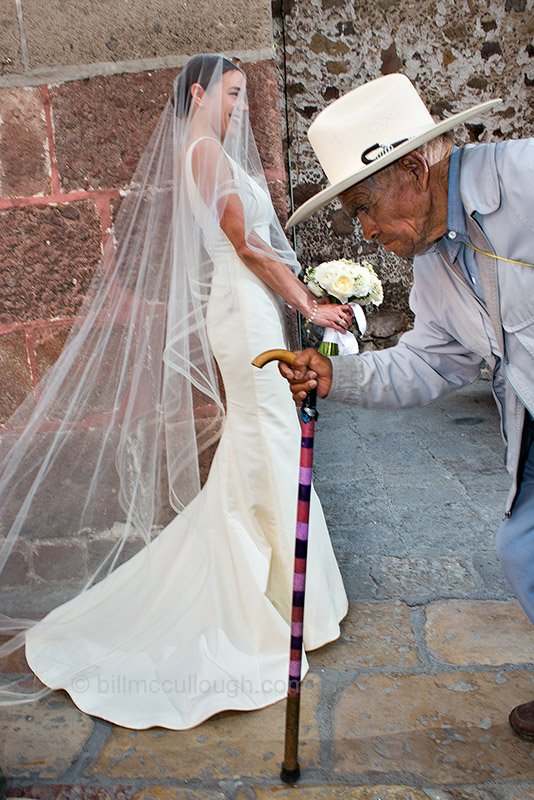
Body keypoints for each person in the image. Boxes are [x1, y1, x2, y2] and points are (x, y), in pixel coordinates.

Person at [0, 54, 349, 729]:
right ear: (199, 91)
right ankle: (269, 604)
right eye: (233, 93)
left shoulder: (209, 150)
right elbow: (246, 245)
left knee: (265, 441)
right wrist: (309, 299)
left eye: (245, 95)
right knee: (269, 436)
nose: (241, 106)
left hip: (249, 309)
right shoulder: (203, 153)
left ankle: (291, 599)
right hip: (244, 313)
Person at [278, 72, 534, 740]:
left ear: (416, 167)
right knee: (522, 550)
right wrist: (337, 375)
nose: (362, 231)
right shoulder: (434, 263)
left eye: (362, 206)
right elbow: (431, 361)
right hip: (529, 424)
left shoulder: (526, 176)